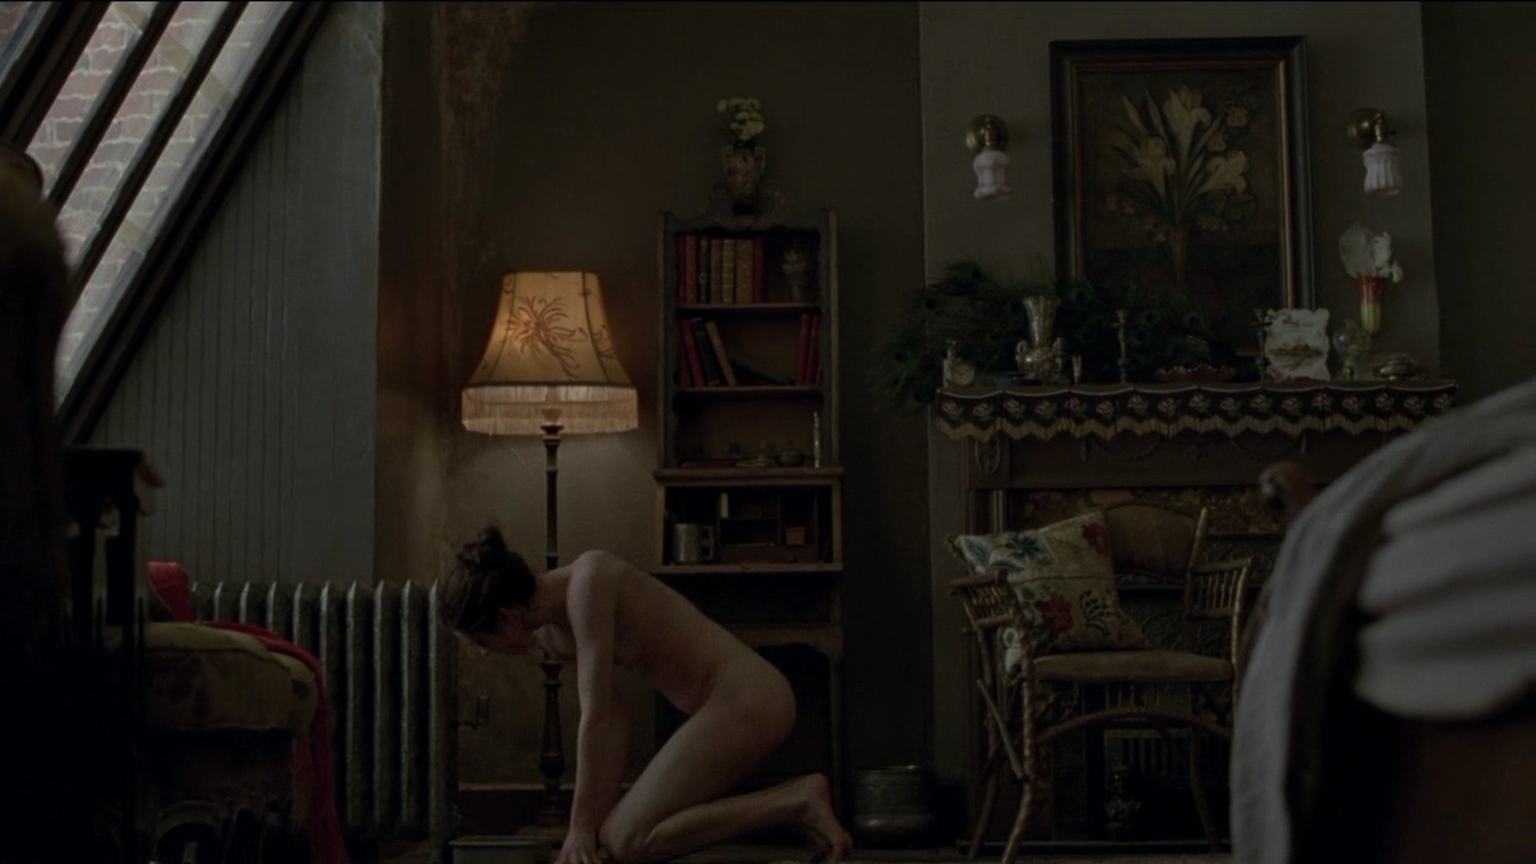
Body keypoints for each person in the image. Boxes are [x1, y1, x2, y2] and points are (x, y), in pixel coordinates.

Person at [442, 527, 852, 864]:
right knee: (617, 838)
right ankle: (797, 801)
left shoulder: (588, 582)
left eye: (482, 641)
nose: (485, 652)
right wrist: (591, 832)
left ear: (506, 618)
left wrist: (579, 827)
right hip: (724, 706)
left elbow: (596, 717)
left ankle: (797, 801)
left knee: (626, 839)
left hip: (751, 697)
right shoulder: (552, 636)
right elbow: (615, 722)